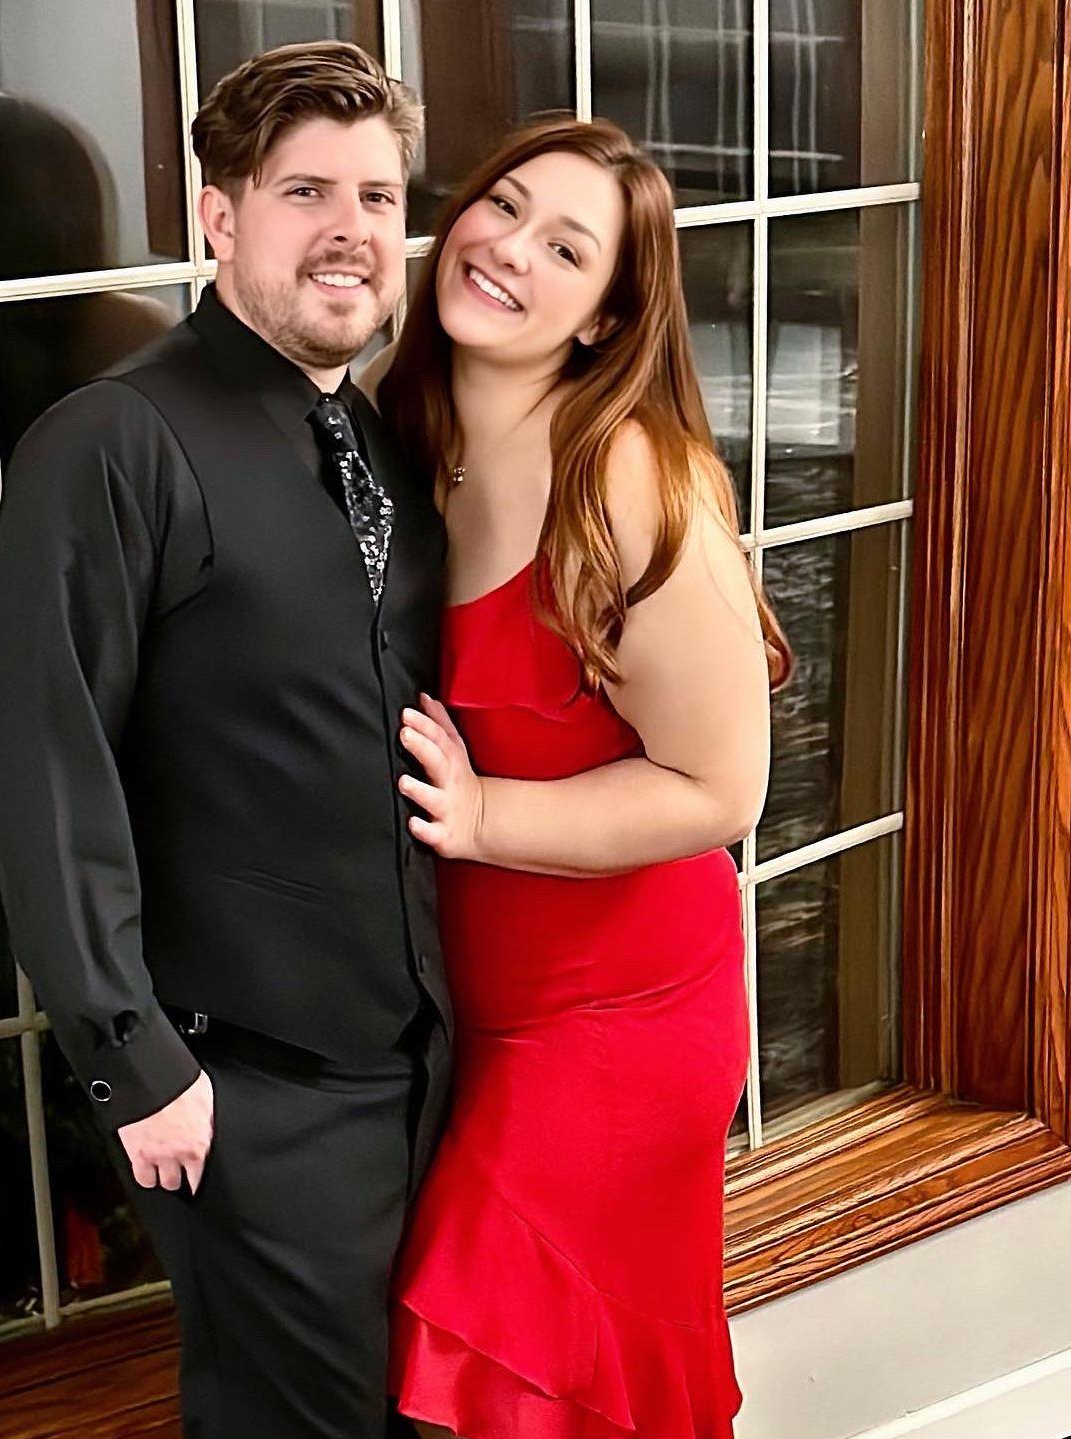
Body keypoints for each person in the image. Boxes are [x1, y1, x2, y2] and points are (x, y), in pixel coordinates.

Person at [0, 41, 452, 1439]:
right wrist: (134, 1061)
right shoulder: (111, 441)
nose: (350, 229)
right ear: (219, 217)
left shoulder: (377, 441)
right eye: (306, 192)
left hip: (421, 1067)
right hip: (243, 1085)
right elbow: (39, 761)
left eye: (376, 196)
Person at [365, 117, 793, 1438]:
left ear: (607, 317)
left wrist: (487, 813)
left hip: (621, 1013)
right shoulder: (398, 430)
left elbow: (723, 789)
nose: (508, 249)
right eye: (502, 207)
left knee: (495, 1370)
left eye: (566, 248)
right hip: (468, 1011)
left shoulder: (627, 479)